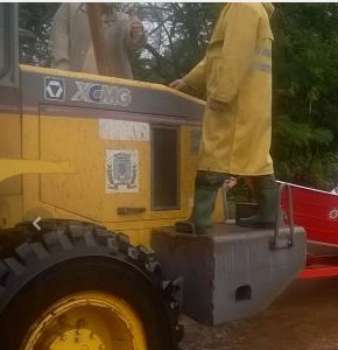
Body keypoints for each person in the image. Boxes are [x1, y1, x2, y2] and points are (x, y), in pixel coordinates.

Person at [170, 3, 276, 233]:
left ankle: (200, 220)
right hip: (251, 102)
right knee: (257, 156)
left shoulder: (242, 6)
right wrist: (188, 80)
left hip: (233, 102)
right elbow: (216, 57)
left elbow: (234, 56)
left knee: (213, 153)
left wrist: (222, 94)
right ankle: (270, 215)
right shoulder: (253, 9)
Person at [50, 3, 146, 79]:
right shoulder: (70, 7)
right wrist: (62, 73)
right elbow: (59, 41)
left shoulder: (124, 19)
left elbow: (135, 43)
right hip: (74, 84)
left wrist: (137, 32)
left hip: (113, 92)